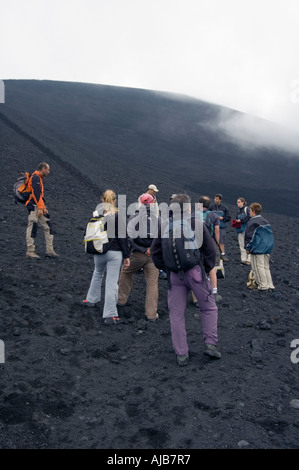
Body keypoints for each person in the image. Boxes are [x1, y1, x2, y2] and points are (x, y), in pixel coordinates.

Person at [151, 193, 221, 366]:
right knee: (209, 308)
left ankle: (181, 354)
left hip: (174, 275)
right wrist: (204, 269)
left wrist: (166, 268)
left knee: (176, 315)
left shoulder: (165, 225)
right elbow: (210, 249)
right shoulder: (196, 222)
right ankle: (211, 344)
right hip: (196, 272)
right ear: (188, 207)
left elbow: (155, 251)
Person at [82, 190, 130, 324]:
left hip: (99, 250)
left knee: (97, 273)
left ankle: (91, 299)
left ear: (102, 200)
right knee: (111, 282)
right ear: (114, 201)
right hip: (114, 253)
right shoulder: (117, 215)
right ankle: (110, 314)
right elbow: (122, 237)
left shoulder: (96, 214)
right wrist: (127, 256)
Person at [118, 193, 160, 321]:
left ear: (140, 203)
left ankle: (121, 300)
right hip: (153, 256)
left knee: (126, 273)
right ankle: (151, 314)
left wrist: (142, 249)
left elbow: (129, 238)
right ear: (152, 204)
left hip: (137, 255)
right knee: (152, 283)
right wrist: (152, 250)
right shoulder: (158, 219)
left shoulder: (134, 217)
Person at [25, 162, 58, 259]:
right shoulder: (35, 177)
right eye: (47, 169)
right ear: (43, 169)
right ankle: (30, 251)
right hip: (34, 206)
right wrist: (40, 207)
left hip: (38, 207)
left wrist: (43, 208)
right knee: (32, 226)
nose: (48, 172)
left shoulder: (39, 178)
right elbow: (36, 194)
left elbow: (39, 196)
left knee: (48, 226)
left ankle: (50, 250)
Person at [193, 196, 222, 302]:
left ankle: (200, 290)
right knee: (212, 266)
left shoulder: (194, 215)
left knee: (197, 266)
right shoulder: (214, 215)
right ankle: (214, 291)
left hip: (197, 243)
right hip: (211, 243)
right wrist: (217, 243)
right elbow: (217, 231)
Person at [244, 202, 275, 291]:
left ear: (253, 211)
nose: (249, 212)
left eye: (250, 210)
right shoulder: (265, 221)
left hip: (257, 248)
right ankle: (270, 284)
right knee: (265, 267)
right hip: (267, 247)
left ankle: (262, 285)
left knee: (257, 267)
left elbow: (250, 237)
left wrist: (248, 247)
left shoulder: (253, 222)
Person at [209, 193, 231, 261]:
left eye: (217, 199)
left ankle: (223, 255)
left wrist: (223, 218)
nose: (215, 200)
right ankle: (213, 254)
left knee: (221, 242)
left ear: (220, 200)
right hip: (212, 227)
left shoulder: (224, 208)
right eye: (215, 198)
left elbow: (228, 217)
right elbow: (208, 215)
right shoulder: (211, 207)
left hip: (221, 227)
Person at [234, 197, 251, 265]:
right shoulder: (238, 211)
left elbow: (249, 216)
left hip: (246, 229)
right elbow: (236, 218)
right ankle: (243, 259)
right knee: (241, 244)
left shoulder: (246, 209)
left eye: (239, 202)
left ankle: (249, 259)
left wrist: (241, 220)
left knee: (248, 243)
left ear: (243, 202)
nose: (237, 203)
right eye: (237, 202)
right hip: (240, 229)